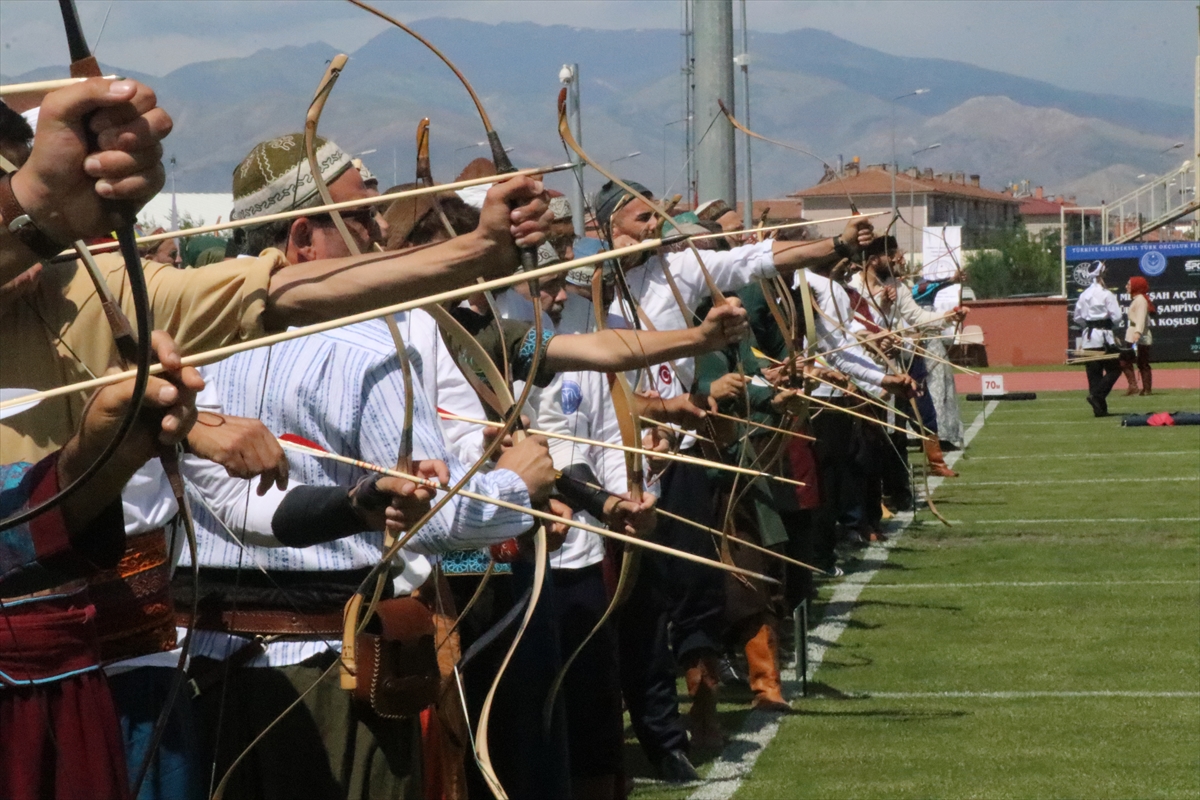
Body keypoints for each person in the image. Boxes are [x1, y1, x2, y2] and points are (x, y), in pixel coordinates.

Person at [1073, 263, 1123, 416]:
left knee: (1094, 373)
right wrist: (1110, 326)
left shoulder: (1084, 294)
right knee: (1115, 369)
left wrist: (1089, 324)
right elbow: (1117, 317)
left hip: (1089, 337)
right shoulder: (1106, 294)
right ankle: (1097, 396)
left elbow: (1077, 317)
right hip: (1103, 338)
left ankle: (1100, 410)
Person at [1124, 276, 1155, 396]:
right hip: (1133, 333)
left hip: (1139, 335)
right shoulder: (1138, 299)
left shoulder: (1141, 300)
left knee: (1140, 362)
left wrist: (1137, 333)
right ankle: (1137, 387)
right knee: (1134, 361)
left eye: (1129, 284)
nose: (1126, 287)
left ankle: (1144, 388)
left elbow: (1141, 319)